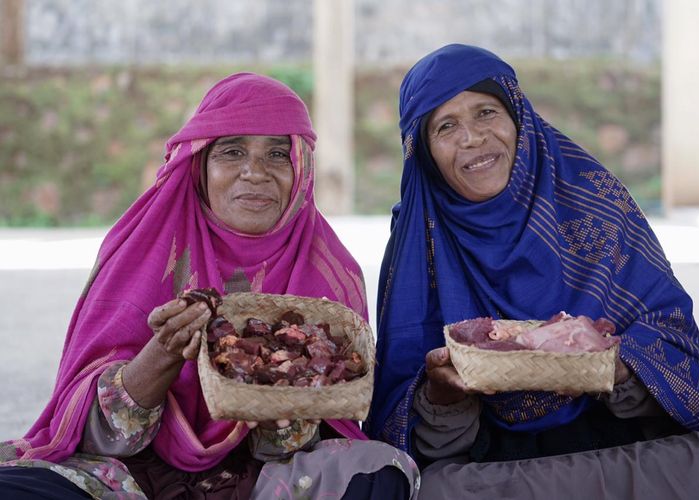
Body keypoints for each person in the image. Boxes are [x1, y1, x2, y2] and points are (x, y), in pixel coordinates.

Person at [0, 73, 419, 499]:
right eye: (232, 151)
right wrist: (161, 354)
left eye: (277, 154)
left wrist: (283, 400)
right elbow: (91, 435)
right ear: (199, 164)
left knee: (380, 474)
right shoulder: (142, 251)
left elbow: (319, 437)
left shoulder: (329, 274)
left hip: (268, 483)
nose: (255, 173)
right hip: (130, 478)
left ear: (301, 169)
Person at [365, 43, 699, 498]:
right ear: (425, 151)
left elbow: (674, 343)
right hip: (493, 466)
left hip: (621, 445)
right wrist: (443, 398)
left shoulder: (594, 203)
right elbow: (401, 428)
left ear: (518, 119)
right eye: (446, 126)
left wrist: (617, 366)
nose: (473, 137)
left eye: (486, 112)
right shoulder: (418, 239)